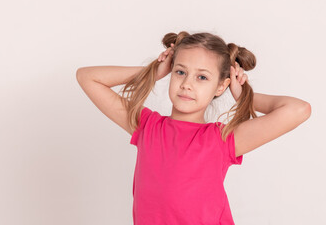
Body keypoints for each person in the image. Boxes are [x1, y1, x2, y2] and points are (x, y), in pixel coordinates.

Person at [76, 31, 311, 224]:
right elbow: (87, 77)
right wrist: (153, 73)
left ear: (221, 87)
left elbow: (298, 110)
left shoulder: (223, 139)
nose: (187, 84)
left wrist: (244, 97)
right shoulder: (147, 126)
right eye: (180, 72)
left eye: (202, 77)